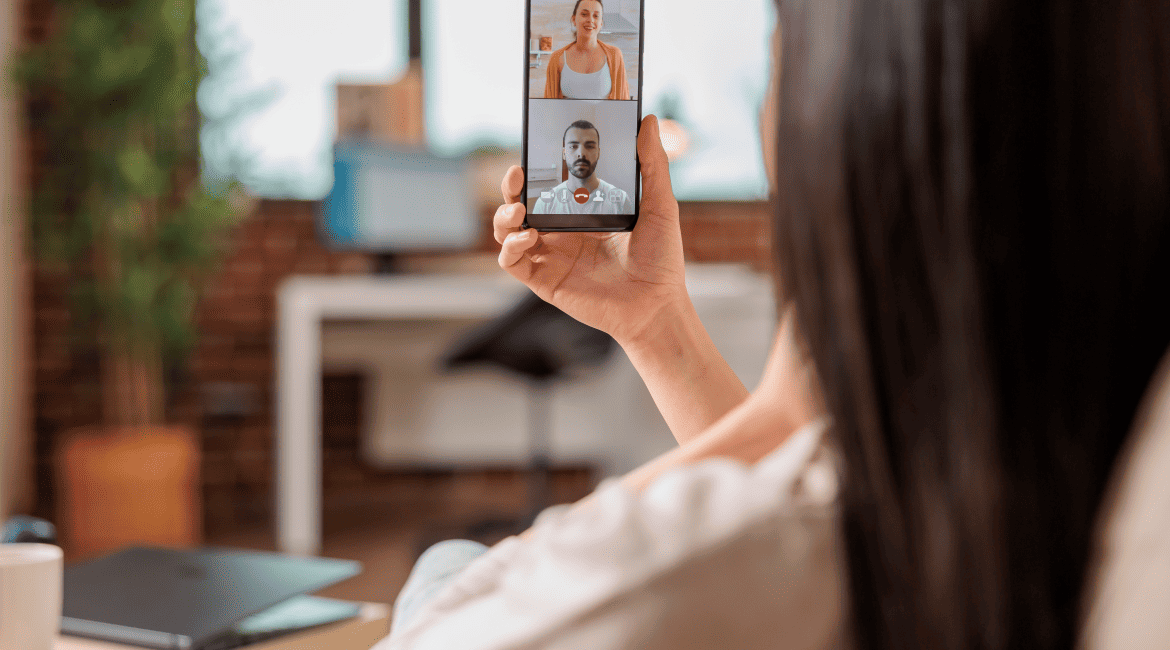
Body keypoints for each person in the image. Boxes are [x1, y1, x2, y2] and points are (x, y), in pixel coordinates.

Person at [381, 0, 1170, 648]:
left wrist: (794, 398)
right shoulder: (1106, 467)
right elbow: (835, 486)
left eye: (779, 46)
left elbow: (440, 636)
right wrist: (657, 325)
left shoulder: (677, 575)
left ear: (859, 115)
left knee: (446, 564)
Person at [532, 119, 634, 215]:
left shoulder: (621, 201)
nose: (581, 153)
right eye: (573, 146)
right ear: (564, 153)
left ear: (598, 153)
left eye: (589, 146)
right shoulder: (545, 204)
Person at [543, 0, 630, 100]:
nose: (590, 20)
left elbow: (622, 104)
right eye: (584, 14)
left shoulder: (615, 55)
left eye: (596, 16)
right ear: (574, 19)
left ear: (601, 23)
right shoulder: (557, 58)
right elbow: (549, 106)